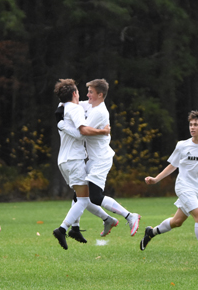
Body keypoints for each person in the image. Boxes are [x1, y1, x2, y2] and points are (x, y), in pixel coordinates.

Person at [141, 110, 198, 268]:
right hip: (183, 186)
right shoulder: (182, 145)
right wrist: (156, 179)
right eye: (190, 124)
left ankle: (150, 232)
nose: (192, 127)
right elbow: (173, 166)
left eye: (196, 125)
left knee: (177, 222)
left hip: (196, 189)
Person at [58, 78, 141, 238]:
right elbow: (68, 105)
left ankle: (130, 216)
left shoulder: (99, 112)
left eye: (91, 92)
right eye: (87, 91)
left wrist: (61, 124)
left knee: (95, 196)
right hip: (92, 159)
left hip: (101, 159)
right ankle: (105, 220)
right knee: (80, 197)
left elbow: (83, 130)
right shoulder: (89, 105)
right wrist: (61, 109)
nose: (87, 95)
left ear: (100, 94)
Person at [52, 79, 113, 250]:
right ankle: (63, 229)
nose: (84, 95)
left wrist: (60, 122)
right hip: (74, 159)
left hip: (62, 161)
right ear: (74, 94)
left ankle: (77, 228)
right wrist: (103, 131)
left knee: (80, 196)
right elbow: (81, 134)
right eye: (79, 92)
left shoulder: (63, 107)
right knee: (84, 199)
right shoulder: (76, 109)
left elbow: (64, 107)